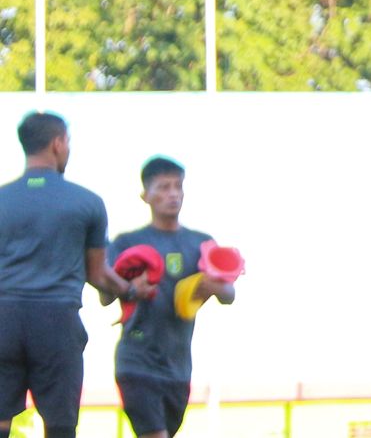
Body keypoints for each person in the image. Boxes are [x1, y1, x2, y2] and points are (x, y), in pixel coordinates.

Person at [0, 111, 138, 438]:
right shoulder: (87, 202)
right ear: (58, 144)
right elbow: (99, 275)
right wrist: (131, 290)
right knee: (60, 425)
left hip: (3, 318)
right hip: (56, 322)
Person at [105, 156, 236, 438]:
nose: (173, 193)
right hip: (136, 360)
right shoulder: (127, 242)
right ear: (145, 196)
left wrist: (214, 287)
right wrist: (129, 288)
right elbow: (104, 294)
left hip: (178, 366)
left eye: (178, 186)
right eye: (163, 187)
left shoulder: (201, 242)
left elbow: (229, 293)